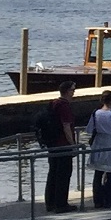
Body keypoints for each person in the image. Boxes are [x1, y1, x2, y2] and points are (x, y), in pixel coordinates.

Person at [41, 81, 79, 213]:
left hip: (52, 143)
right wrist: (73, 145)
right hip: (63, 144)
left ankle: (50, 202)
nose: (74, 92)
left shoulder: (53, 103)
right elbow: (66, 126)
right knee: (63, 174)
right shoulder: (64, 106)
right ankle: (61, 204)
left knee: (53, 173)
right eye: (73, 90)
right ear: (67, 91)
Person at [86, 90, 111, 209]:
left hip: (99, 143)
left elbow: (89, 129)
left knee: (98, 172)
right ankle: (109, 199)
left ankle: (98, 200)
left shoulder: (96, 113)